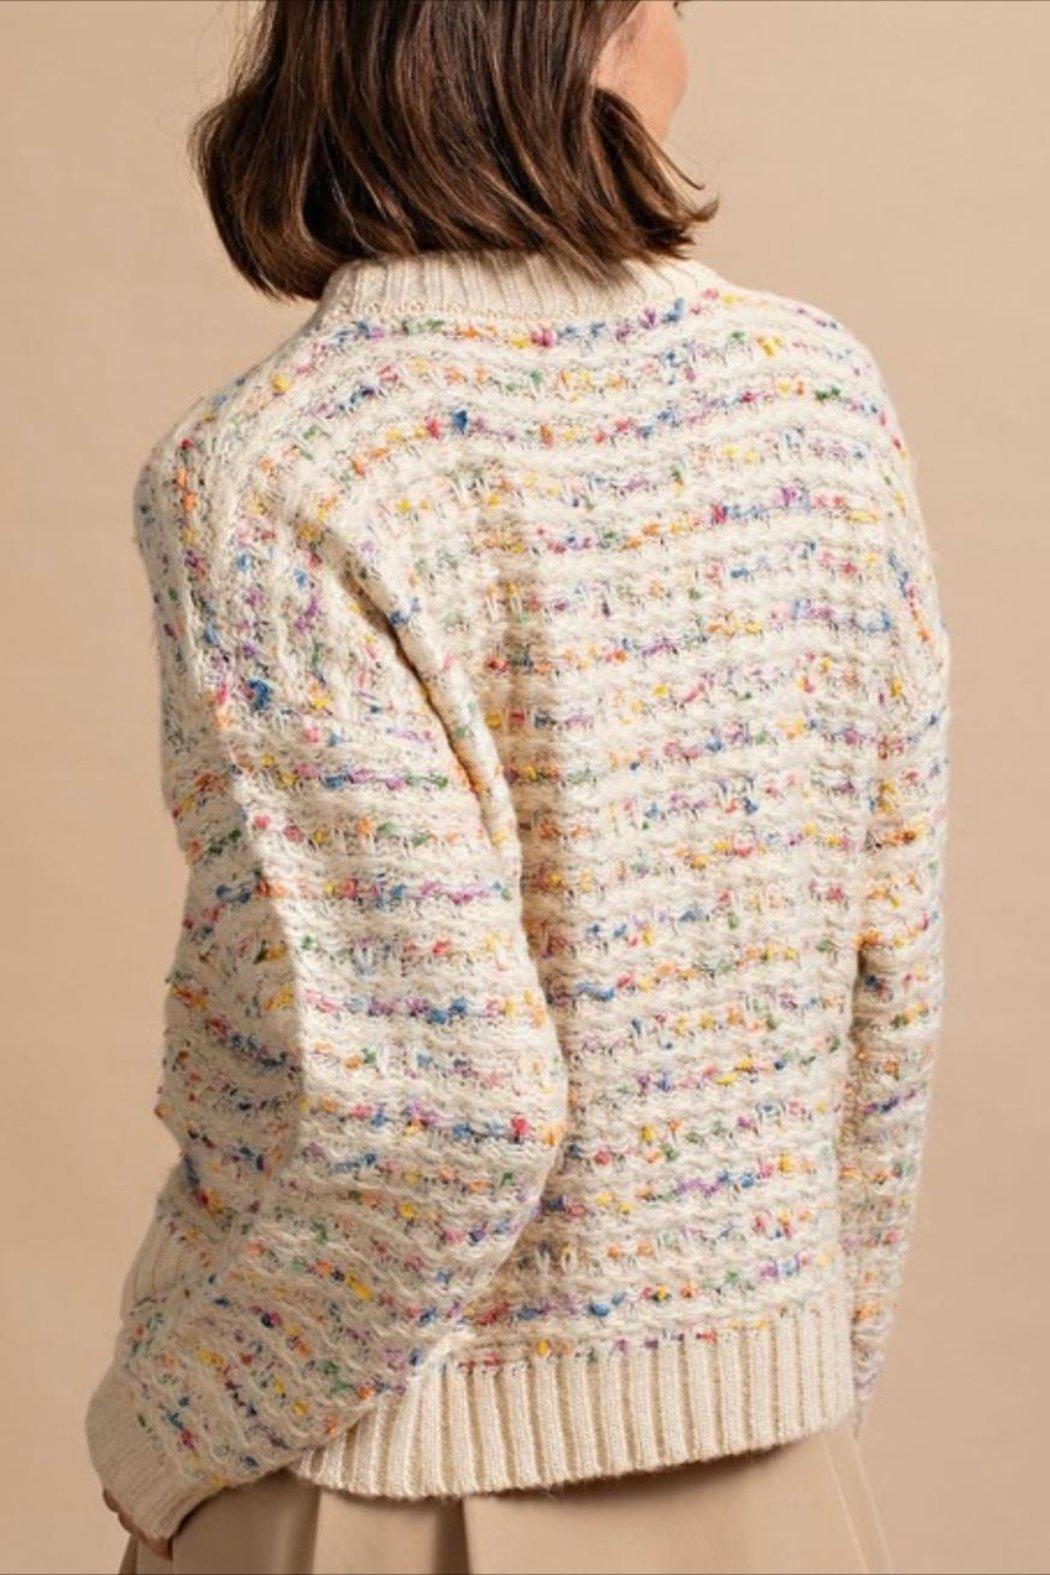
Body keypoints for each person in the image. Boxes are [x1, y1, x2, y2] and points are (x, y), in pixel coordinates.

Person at [85, 2, 950, 1571]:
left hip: (373, 1465)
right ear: (568, 38)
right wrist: (799, 1364)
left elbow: (441, 1110)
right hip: (768, 1475)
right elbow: (883, 986)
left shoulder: (280, 464)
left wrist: (171, 1430)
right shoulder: (816, 398)